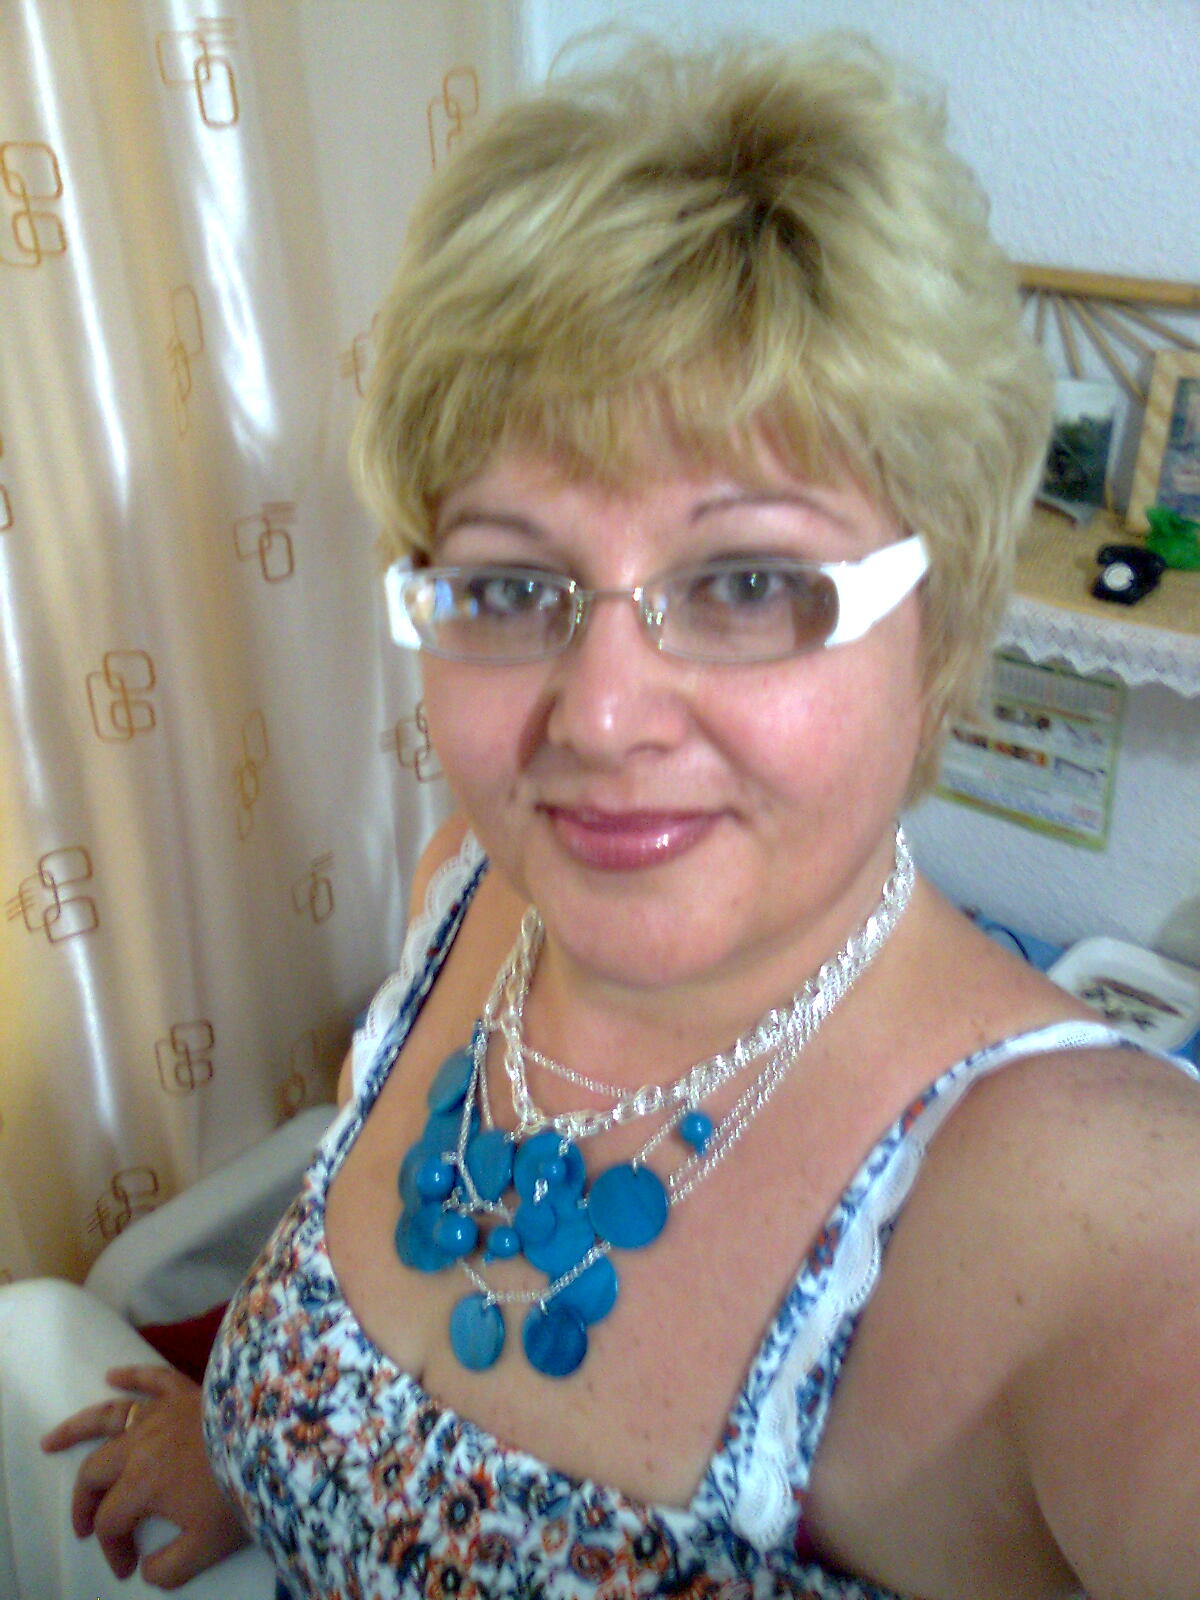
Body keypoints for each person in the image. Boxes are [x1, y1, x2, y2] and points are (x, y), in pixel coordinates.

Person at [31, 30, 1200, 1600]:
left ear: (941, 632)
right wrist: (248, 1435)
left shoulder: (1095, 1230)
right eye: (514, 584)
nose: (596, 716)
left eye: (749, 582)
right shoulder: (470, 885)